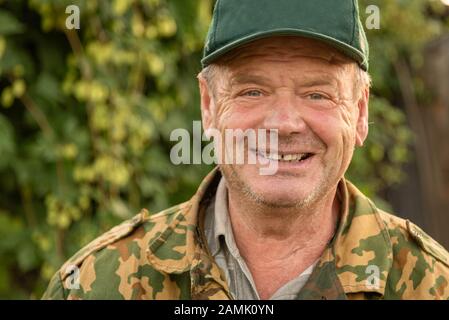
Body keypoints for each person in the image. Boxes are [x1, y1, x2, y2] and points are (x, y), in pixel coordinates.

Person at [43, 0, 449, 300]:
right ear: (208, 107)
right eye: (252, 91)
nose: (285, 123)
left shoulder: (431, 285)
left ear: (360, 113)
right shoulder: (95, 284)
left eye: (317, 94)